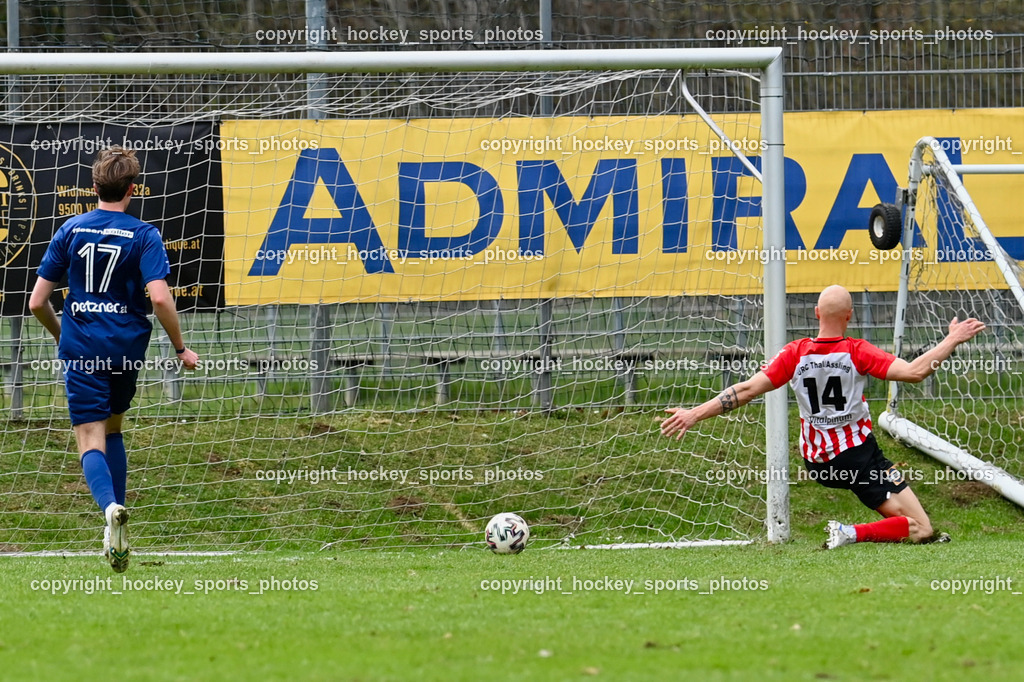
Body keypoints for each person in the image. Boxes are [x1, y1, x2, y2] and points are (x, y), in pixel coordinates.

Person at [661, 284, 985, 549]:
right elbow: (915, 372)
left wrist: (693, 414)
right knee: (919, 528)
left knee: (919, 526)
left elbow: (745, 391)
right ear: (850, 315)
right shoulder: (858, 351)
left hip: (825, 460)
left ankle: (864, 531)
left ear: (816, 314)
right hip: (854, 458)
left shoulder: (793, 353)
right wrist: (952, 339)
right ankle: (849, 532)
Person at [29, 146, 199, 572]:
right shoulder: (144, 234)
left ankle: (108, 510)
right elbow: (159, 297)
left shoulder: (70, 229)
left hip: (83, 347)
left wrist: (64, 334)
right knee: (114, 428)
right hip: (126, 347)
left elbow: (36, 302)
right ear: (133, 189)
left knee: (89, 437)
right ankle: (117, 527)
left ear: (93, 187)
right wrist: (180, 348)